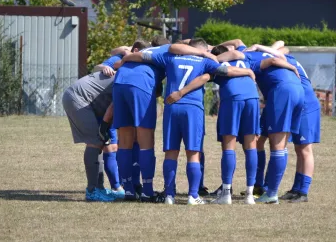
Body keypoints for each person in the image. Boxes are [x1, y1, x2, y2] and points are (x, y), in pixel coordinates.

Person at [130, 38, 255, 205]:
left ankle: (169, 195)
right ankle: (193, 195)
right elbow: (229, 70)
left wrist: (125, 59)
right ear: (203, 49)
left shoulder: (170, 57)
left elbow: (142, 56)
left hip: (172, 106)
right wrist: (247, 72)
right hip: (193, 108)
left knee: (171, 153)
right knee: (193, 153)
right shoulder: (205, 61)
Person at [242, 43, 304, 204]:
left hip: (282, 91)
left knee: (277, 145)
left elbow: (272, 62)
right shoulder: (266, 53)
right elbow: (281, 50)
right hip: (298, 90)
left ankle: (271, 193)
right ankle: (267, 189)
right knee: (279, 144)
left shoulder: (248, 59)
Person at [111, 39, 166, 202]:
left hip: (120, 83)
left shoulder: (138, 54)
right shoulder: (164, 55)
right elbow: (157, 92)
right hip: (141, 83)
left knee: (125, 141)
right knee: (146, 140)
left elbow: (115, 63)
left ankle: (128, 190)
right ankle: (147, 190)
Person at [209, 45, 261, 205]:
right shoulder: (245, 59)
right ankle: (250, 194)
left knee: (229, 145)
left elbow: (225, 68)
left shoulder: (215, 62)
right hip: (253, 97)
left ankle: (226, 193)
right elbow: (237, 49)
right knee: (251, 145)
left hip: (233, 98)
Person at [61, 71, 119, 202]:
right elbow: (113, 107)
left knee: (99, 141)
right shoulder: (128, 78)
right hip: (79, 98)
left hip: (82, 98)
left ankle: (99, 188)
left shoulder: (129, 72)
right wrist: (104, 126)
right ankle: (92, 191)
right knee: (95, 141)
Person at [279, 53, 321, 203]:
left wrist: (258, 47)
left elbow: (282, 44)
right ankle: (296, 188)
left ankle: (303, 192)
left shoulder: (285, 59)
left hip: (307, 106)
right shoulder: (286, 58)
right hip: (300, 106)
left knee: (305, 149)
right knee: (299, 149)